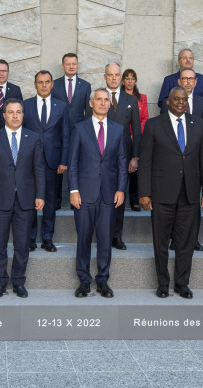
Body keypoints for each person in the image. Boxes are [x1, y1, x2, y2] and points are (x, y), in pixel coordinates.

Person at [139, 87, 203, 299]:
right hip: (162, 193)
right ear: (168, 102)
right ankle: (163, 283)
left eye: (184, 99)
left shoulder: (198, 124)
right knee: (161, 241)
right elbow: (145, 162)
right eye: (176, 99)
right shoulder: (154, 125)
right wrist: (144, 193)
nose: (181, 102)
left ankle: (182, 283)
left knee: (186, 242)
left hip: (190, 193)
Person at [0, 99, 45, 298]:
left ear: (23, 114)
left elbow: (39, 169)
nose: (15, 116)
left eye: (19, 112)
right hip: (0, 199)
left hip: (26, 199)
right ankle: (0, 282)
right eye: (11, 112)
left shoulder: (33, 137)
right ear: (4, 115)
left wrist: (40, 195)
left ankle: (18, 281)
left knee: (22, 244)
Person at [68, 88, 127, 298]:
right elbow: (72, 163)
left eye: (106, 100)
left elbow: (122, 163)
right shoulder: (80, 129)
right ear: (91, 103)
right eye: (98, 100)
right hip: (84, 194)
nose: (102, 103)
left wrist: (121, 189)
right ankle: (84, 281)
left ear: (109, 104)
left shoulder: (118, 130)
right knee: (83, 238)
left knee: (104, 239)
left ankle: (103, 280)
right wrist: (73, 190)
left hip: (109, 195)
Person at [23, 71, 70, 251]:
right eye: (40, 82)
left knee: (50, 201)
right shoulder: (25, 105)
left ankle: (47, 238)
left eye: (47, 82)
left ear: (52, 84)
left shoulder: (61, 106)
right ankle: (30, 238)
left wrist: (63, 160)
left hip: (53, 162)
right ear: (35, 84)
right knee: (30, 201)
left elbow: (66, 134)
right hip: (30, 161)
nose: (44, 85)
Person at [98, 63, 141, 251]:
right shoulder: (97, 98)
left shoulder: (129, 99)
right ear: (105, 77)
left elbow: (137, 131)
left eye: (117, 75)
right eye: (111, 75)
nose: (114, 78)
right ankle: (102, 235)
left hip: (124, 156)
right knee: (101, 196)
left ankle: (117, 236)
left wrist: (135, 156)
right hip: (101, 156)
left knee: (119, 197)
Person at [52, 53, 91, 210]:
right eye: (68, 64)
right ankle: (56, 201)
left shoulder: (85, 85)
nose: (71, 66)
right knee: (58, 166)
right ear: (63, 66)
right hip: (58, 131)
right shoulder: (55, 84)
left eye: (74, 63)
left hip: (78, 132)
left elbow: (88, 111)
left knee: (77, 165)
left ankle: (76, 201)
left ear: (78, 65)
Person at [177, 68, 203, 252]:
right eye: (184, 79)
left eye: (191, 79)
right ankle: (175, 238)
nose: (188, 82)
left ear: (196, 82)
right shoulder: (170, 102)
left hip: (195, 161)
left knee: (193, 203)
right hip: (175, 160)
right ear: (179, 81)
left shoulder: (202, 103)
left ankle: (193, 239)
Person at [121, 68, 148, 212]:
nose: (130, 81)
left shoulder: (142, 98)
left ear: (135, 80)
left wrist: (136, 134)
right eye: (127, 78)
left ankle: (134, 199)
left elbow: (144, 119)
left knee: (135, 169)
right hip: (123, 138)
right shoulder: (118, 97)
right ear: (123, 80)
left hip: (137, 138)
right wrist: (128, 133)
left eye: (132, 78)